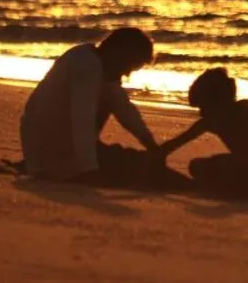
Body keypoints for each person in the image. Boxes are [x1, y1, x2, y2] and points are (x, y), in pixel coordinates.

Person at [19, 27, 172, 186]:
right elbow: (82, 122)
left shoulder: (93, 62)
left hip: (46, 151)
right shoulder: (87, 67)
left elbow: (124, 108)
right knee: (142, 169)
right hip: (54, 156)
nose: (127, 73)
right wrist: (89, 171)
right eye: (130, 65)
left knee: (135, 160)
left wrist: (150, 143)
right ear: (119, 54)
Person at [159, 68, 248, 204]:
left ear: (214, 101)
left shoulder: (225, 117)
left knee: (199, 167)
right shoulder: (244, 110)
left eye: (203, 107)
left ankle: (241, 188)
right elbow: (175, 143)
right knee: (204, 165)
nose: (201, 112)